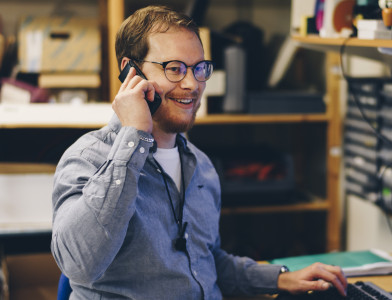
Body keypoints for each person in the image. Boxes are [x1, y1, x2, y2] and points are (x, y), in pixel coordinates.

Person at [51, 5, 347, 299]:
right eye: (175, 69)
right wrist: (134, 138)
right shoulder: (88, 158)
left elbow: (204, 262)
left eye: (199, 68)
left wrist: (281, 279)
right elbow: (79, 264)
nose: (192, 84)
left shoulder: (200, 165)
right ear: (130, 70)